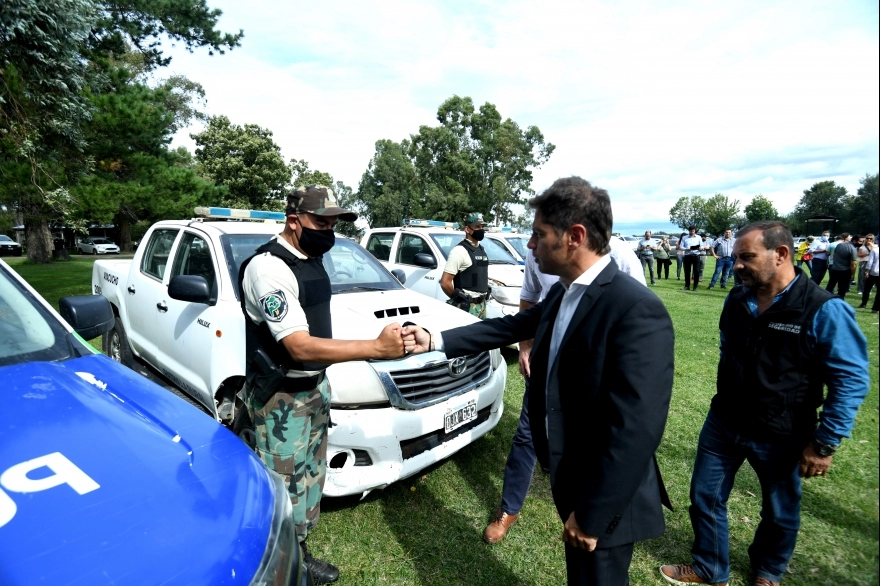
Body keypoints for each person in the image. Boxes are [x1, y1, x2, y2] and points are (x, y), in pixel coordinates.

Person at [404, 176, 674, 585]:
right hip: (574, 479)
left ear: (575, 237)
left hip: (607, 496)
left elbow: (635, 429)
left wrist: (593, 514)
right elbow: (509, 327)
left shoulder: (634, 308)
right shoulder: (566, 293)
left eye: (538, 234)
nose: (530, 245)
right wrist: (432, 338)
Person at [660, 221, 869, 586]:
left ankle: (768, 571)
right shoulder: (738, 298)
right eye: (736, 257)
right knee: (705, 496)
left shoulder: (824, 309)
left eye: (747, 257)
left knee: (779, 510)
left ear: (781, 254)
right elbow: (728, 347)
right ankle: (710, 567)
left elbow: (850, 380)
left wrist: (824, 443)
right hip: (725, 420)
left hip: (783, 431)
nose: (736, 264)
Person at [238, 185, 406, 584]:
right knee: (281, 490)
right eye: (321, 222)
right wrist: (376, 349)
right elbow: (297, 345)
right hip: (283, 400)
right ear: (293, 221)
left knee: (310, 479)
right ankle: (277, 569)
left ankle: (299, 554)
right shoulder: (268, 268)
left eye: (333, 223)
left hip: (313, 389)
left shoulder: (310, 259)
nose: (329, 231)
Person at [483, 236, 646, 545]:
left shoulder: (620, 253)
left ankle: (594, 513)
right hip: (545, 362)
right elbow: (530, 301)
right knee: (527, 435)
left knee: (592, 439)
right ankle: (509, 509)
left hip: (592, 370)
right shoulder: (538, 252)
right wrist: (526, 346)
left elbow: (635, 308)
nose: (531, 242)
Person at [440, 212, 489, 318]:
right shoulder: (459, 251)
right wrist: (458, 300)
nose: (481, 230)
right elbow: (445, 282)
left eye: (482, 226)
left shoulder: (481, 249)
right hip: (467, 307)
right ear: (467, 229)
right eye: (477, 226)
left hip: (482, 305)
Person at [825, 232, 858, 299]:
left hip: (834, 265)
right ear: (846, 237)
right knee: (842, 286)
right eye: (849, 236)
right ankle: (840, 298)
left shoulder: (835, 244)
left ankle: (826, 297)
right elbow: (853, 263)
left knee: (831, 284)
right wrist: (852, 273)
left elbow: (831, 254)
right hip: (844, 269)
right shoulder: (851, 247)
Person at [859, 240, 879, 311]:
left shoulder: (875, 250)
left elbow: (870, 261)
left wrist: (867, 271)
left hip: (873, 272)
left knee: (867, 289)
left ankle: (864, 303)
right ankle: (876, 308)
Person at [681, 226, 702, 291]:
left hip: (696, 256)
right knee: (687, 272)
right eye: (691, 231)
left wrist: (701, 248)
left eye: (693, 231)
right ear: (689, 231)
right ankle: (687, 286)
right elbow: (681, 247)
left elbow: (702, 246)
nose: (692, 232)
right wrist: (686, 249)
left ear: (695, 231)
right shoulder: (684, 237)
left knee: (696, 271)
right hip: (688, 256)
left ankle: (695, 287)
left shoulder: (699, 237)